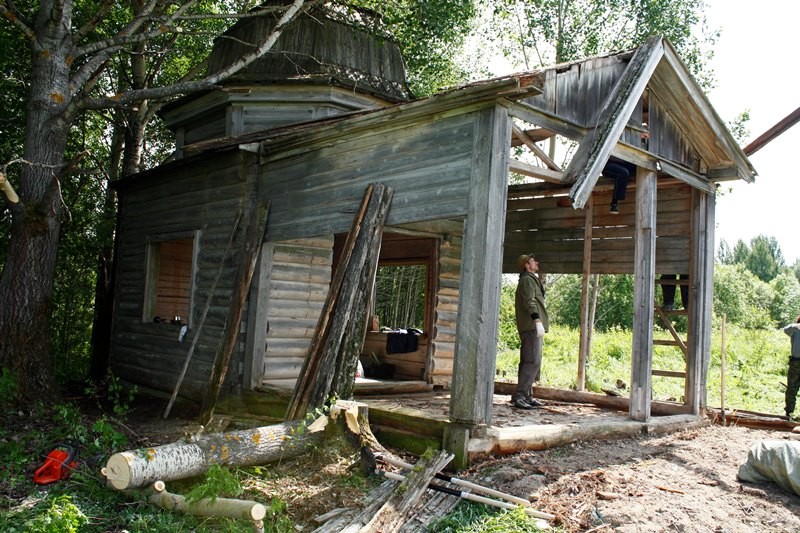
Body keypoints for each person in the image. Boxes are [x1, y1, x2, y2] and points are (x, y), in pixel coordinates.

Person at [512, 253, 549, 410]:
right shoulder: (527, 280)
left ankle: (526, 395)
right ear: (527, 265)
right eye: (534, 261)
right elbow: (529, 301)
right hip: (531, 326)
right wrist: (537, 320)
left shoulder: (531, 279)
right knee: (532, 361)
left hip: (532, 326)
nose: (537, 262)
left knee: (532, 360)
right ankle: (520, 396)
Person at [784, 315, 800, 419]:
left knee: (791, 389)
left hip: (795, 363)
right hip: (795, 362)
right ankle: (789, 413)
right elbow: (786, 329)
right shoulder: (795, 329)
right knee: (791, 389)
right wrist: (796, 326)